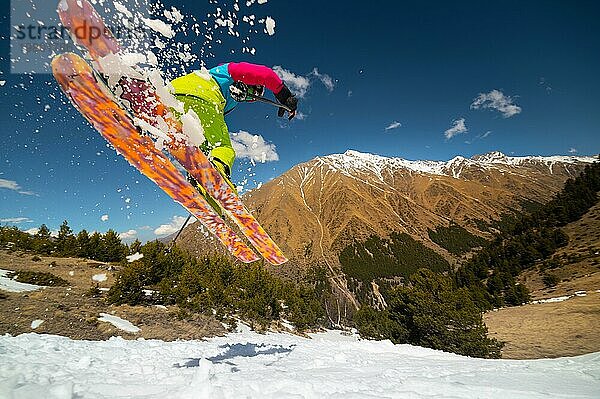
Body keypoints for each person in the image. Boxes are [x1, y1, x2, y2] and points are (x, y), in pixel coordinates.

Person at [169, 62, 298, 205]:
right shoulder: (227, 71)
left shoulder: (227, 95)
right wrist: (284, 95)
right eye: (256, 90)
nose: (254, 96)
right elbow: (266, 74)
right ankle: (216, 174)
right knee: (223, 148)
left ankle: (199, 184)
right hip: (202, 97)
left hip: (171, 95)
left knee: (201, 148)